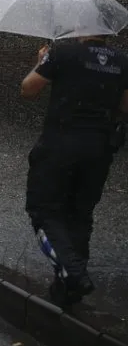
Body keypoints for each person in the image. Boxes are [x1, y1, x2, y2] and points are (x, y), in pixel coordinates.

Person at [21, 36, 128, 306]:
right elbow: (125, 106)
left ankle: (73, 272)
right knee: (80, 215)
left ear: (81, 26)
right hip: (99, 149)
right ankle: (68, 289)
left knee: (44, 211)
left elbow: (29, 89)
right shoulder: (121, 60)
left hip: (59, 147)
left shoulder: (62, 52)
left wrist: (40, 63)